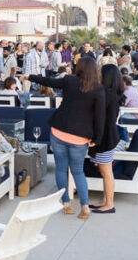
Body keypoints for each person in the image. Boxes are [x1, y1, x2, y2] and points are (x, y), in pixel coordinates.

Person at [29, 56, 106, 220]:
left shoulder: (69, 80)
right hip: (80, 137)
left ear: (79, 68)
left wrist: (29, 77)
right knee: (78, 171)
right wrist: (96, 139)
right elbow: (100, 117)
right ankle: (85, 205)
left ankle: (66, 204)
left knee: (61, 168)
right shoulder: (98, 89)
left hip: (59, 131)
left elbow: (48, 81)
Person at [89, 65, 125, 214]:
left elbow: (101, 119)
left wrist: (96, 139)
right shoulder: (113, 94)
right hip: (109, 136)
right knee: (105, 171)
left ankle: (109, 204)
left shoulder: (106, 95)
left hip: (105, 138)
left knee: (106, 172)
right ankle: (105, 200)